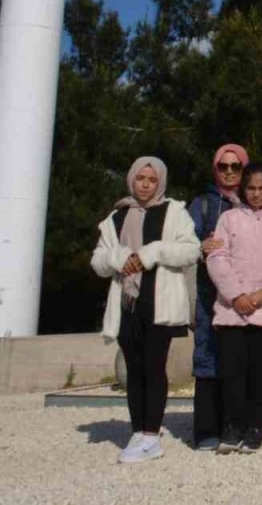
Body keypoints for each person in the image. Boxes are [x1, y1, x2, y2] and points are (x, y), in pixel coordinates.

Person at [90, 156, 200, 464]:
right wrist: (119, 257)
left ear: (160, 182)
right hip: (127, 303)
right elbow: (98, 260)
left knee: (153, 367)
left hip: (158, 302)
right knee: (134, 369)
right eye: (141, 178)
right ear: (131, 180)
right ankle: (138, 429)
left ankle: (152, 435)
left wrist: (152, 253)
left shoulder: (174, 211)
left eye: (152, 180)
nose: (146, 184)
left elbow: (191, 250)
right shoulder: (117, 216)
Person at [206, 162, 262, 454]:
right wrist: (235, 295)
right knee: (232, 372)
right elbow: (217, 257)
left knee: (259, 373)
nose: (256, 193)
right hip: (232, 310)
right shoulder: (229, 218)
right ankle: (231, 425)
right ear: (243, 189)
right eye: (251, 188)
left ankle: (256, 425)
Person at [187, 143, 248, 451]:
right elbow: (183, 240)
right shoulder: (202, 205)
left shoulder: (255, 201)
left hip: (247, 295)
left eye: (235, 167)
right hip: (210, 294)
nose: (228, 171)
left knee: (239, 359)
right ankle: (206, 429)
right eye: (223, 166)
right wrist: (200, 246)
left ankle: (236, 425)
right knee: (208, 355)